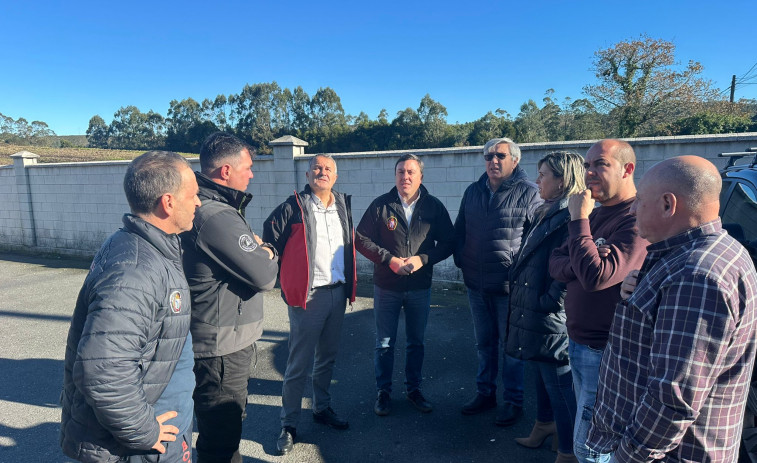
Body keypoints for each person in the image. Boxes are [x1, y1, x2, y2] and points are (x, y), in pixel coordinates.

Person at [586, 156, 757, 462]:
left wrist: (625, 457)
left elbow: (672, 400)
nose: (634, 209)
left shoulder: (696, 276)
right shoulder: (703, 255)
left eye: (639, 200)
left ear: (668, 204)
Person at [60, 151, 201, 462]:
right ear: (168, 202)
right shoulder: (136, 270)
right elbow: (103, 371)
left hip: (161, 425)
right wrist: (144, 431)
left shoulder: (151, 248)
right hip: (139, 445)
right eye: (193, 195)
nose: (198, 203)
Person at [181, 132, 279, 463]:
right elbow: (265, 276)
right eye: (247, 168)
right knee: (221, 444)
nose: (251, 174)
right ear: (226, 171)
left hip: (219, 341)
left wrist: (256, 248)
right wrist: (267, 249)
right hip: (221, 349)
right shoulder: (217, 216)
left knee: (219, 438)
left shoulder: (209, 207)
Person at [548, 139, 648, 463]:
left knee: (590, 448)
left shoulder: (634, 218)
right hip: (576, 341)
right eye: (588, 165)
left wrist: (578, 221)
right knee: (589, 434)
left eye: (600, 165)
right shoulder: (596, 213)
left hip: (603, 351)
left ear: (627, 168)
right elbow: (556, 262)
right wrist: (584, 259)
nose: (589, 173)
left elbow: (596, 277)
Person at [263, 154, 357, 455]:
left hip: (337, 293)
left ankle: (321, 408)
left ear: (336, 176)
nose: (322, 172)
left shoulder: (342, 205)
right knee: (298, 364)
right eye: (317, 167)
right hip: (308, 297)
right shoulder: (293, 206)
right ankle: (288, 424)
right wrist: (284, 279)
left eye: (328, 168)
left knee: (327, 358)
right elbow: (271, 241)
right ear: (307, 174)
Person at [356, 153, 454, 417]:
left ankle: (414, 390)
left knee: (416, 343)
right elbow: (361, 239)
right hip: (387, 286)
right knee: (384, 343)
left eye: (411, 172)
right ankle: (383, 392)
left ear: (421, 176)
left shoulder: (433, 207)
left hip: (420, 287)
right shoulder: (381, 206)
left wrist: (424, 258)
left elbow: (449, 242)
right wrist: (389, 260)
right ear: (395, 176)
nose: (405, 177)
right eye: (400, 172)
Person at [454, 137, 542, 426]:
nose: (493, 160)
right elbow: (460, 230)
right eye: (488, 155)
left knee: (511, 347)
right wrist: (463, 261)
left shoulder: (530, 193)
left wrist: (522, 278)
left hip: (509, 288)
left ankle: (514, 401)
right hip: (476, 286)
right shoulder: (473, 190)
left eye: (500, 155)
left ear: (514, 160)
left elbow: (537, 242)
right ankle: (485, 393)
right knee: (484, 344)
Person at [507, 151, 586, 463]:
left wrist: (548, 301)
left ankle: (567, 451)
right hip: (535, 310)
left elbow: (570, 269)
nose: (537, 180)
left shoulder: (570, 217)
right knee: (540, 373)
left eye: (543, 175)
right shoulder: (549, 210)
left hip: (548, 314)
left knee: (559, 384)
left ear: (562, 180)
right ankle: (543, 426)